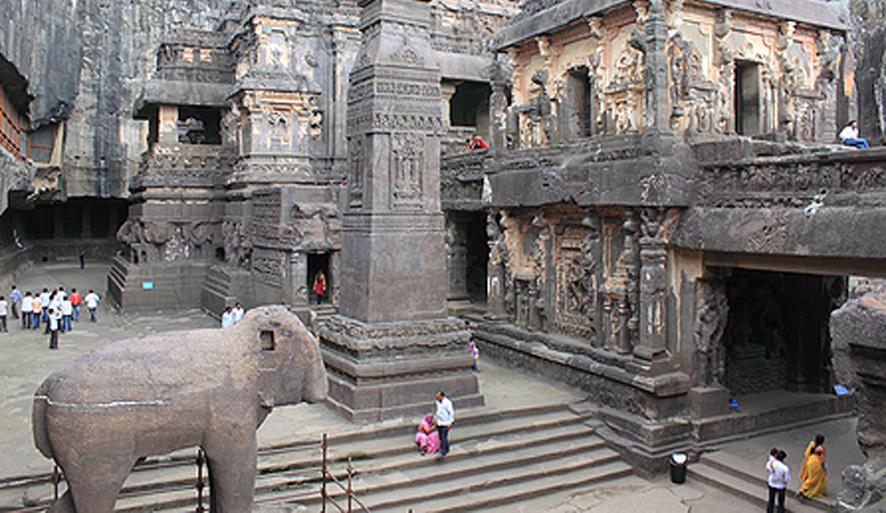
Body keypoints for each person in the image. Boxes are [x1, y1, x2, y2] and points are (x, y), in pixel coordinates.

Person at [798, 434, 827, 498]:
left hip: (810, 461)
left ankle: (803, 489)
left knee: (810, 477)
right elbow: (822, 460)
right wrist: (823, 467)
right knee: (816, 479)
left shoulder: (812, 445)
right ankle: (807, 491)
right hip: (816, 463)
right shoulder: (821, 449)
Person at [435, 391, 454, 457]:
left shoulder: (447, 402)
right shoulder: (437, 402)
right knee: (441, 436)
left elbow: (451, 412)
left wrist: (450, 422)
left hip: (446, 422)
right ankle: (446, 448)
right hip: (440, 422)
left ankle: (443, 451)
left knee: (443, 436)